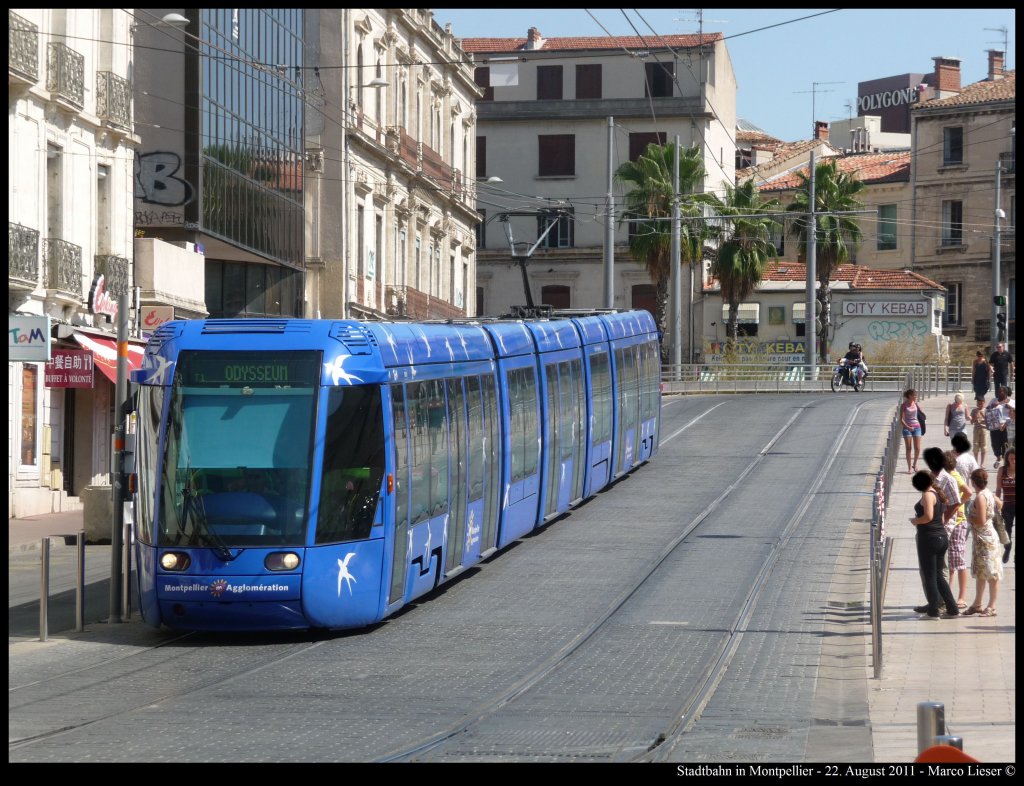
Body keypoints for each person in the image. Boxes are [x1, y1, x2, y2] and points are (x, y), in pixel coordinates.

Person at [909, 470, 960, 619]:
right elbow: (942, 518)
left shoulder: (927, 495)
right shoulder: (937, 494)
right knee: (938, 575)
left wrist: (915, 521)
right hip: (941, 537)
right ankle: (952, 608)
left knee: (930, 575)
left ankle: (933, 611)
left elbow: (928, 517)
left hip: (929, 538)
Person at [963, 468, 1003, 617]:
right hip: (982, 539)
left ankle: (991, 606)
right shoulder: (988, 493)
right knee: (980, 572)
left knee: (992, 573)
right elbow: (1001, 504)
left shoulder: (980, 497)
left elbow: (980, 520)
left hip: (986, 540)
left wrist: (969, 517)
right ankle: (977, 603)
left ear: (973, 482)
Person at [943, 450, 973, 609]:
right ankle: (948, 593)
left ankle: (962, 596)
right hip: (955, 520)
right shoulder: (953, 474)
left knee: (958, 559)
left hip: (958, 521)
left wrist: (957, 503)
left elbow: (968, 492)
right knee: (952, 560)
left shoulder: (953, 476)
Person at [995, 446, 1015, 564]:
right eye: (1011, 459)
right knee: (1007, 531)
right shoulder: (1002, 470)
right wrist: (997, 503)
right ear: (1007, 459)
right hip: (1007, 505)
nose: (1013, 461)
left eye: (1015, 459)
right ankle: (1007, 549)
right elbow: (998, 489)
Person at [985, 387, 1011, 469]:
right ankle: (998, 458)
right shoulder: (993, 400)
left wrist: (1010, 407)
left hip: (1006, 426)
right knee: (995, 443)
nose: (999, 393)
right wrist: (992, 406)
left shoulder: (1011, 401)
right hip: (995, 426)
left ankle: (1004, 461)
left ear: (1006, 393)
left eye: (1001, 391)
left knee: (1005, 443)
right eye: (998, 391)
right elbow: (986, 410)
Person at [900, 388, 923, 474]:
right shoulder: (904, 405)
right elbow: (901, 419)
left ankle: (915, 463)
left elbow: (920, 414)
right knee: (908, 448)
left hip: (917, 427)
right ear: (909, 396)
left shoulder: (916, 404)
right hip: (907, 428)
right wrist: (907, 427)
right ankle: (909, 467)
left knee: (917, 448)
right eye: (914, 395)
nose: (916, 396)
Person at [971, 401, 988, 467]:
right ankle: (976, 463)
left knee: (984, 446)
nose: (980, 405)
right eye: (978, 403)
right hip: (976, 429)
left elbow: (989, 421)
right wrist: (974, 418)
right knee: (976, 445)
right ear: (977, 404)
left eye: (981, 403)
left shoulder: (986, 410)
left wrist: (983, 415)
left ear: (984, 403)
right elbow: (971, 422)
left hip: (984, 429)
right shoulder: (974, 410)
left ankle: (982, 463)